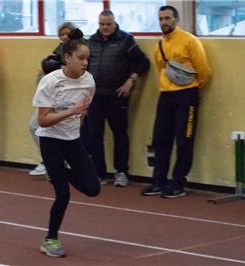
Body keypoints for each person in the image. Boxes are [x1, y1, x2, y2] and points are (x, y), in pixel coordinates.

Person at [33, 28, 101, 258]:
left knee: (93, 189)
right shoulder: (50, 82)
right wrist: (71, 110)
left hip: (72, 140)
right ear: (68, 58)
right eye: (81, 58)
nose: (85, 63)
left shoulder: (89, 82)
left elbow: (83, 112)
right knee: (63, 194)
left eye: (87, 59)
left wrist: (76, 122)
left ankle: (57, 172)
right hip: (50, 140)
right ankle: (50, 239)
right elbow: (43, 120)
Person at [141, 5, 212, 198]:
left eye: (167, 18)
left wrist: (194, 90)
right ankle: (159, 181)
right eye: (161, 19)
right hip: (165, 96)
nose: (163, 22)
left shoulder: (189, 41)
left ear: (176, 20)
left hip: (187, 96)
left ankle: (179, 182)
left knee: (184, 140)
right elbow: (160, 69)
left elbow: (204, 70)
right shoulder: (160, 45)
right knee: (160, 139)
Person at [87, 10, 150, 187]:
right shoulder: (90, 41)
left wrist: (131, 81)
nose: (105, 27)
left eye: (108, 24)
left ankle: (121, 172)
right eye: (101, 24)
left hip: (117, 98)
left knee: (120, 135)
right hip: (94, 98)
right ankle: (98, 173)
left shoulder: (126, 40)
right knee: (94, 136)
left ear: (115, 23)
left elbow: (143, 62)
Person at [28, 22, 76, 176]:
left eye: (67, 34)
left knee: (66, 134)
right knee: (35, 126)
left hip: (70, 99)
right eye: (61, 34)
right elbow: (49, 65)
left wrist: (59, 68)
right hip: (53, 97)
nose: (64, 37)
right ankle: (49, 161)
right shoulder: (59, 49)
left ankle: (64, 164)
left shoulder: (80, 50)